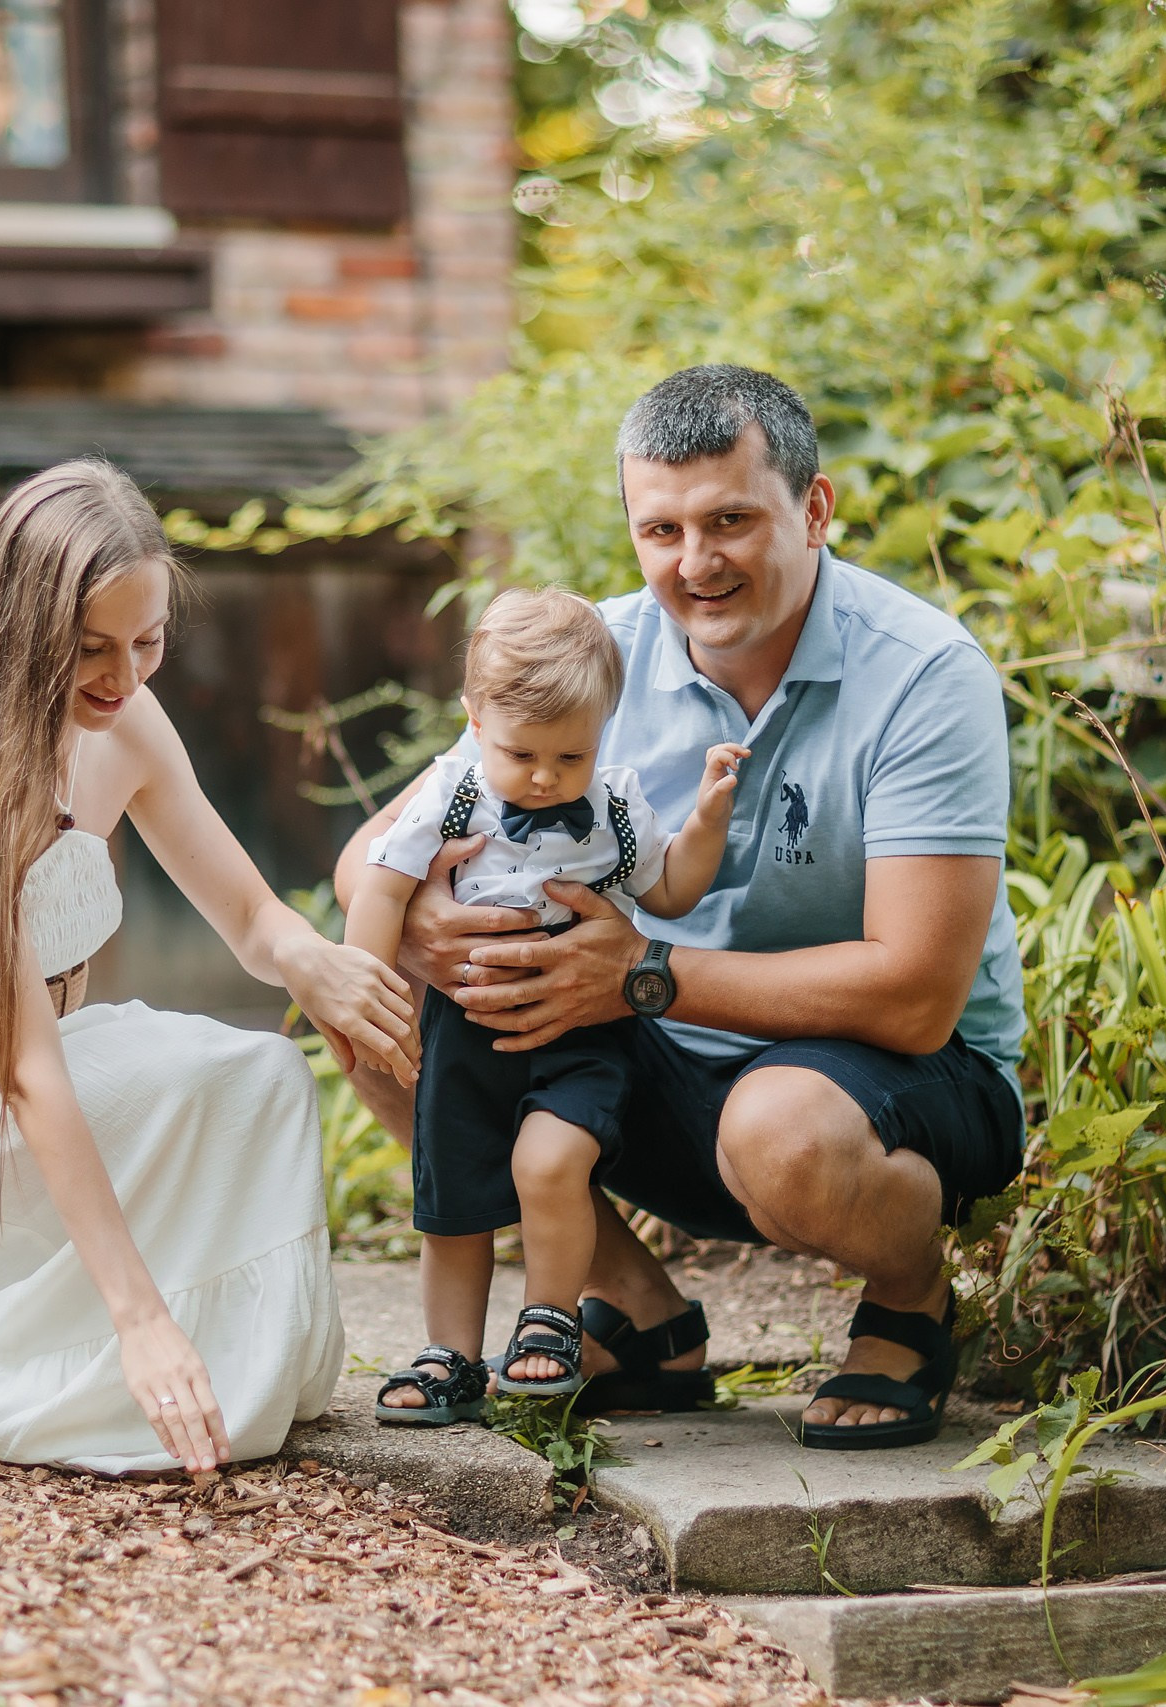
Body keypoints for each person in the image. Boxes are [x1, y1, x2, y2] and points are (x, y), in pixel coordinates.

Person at [333, 366, 1025, 1450]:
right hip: (645, 1055)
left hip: (881, 1083)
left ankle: (908, 1299)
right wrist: (424, 927)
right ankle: (641, 1321)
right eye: (661, 530)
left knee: (781, 1130)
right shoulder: (584, 663)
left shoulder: (925, 674)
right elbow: (370, 854)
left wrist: (643, 972)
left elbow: (917, 996)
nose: (694, 565)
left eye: (730, 521)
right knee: (377, 1015)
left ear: (813, 507)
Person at [0, 459, 419, 1477]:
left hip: (34, 1059)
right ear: (22, 631)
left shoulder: (128, 720)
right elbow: (27, 1077)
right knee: (239, 1091)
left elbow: (244, 912)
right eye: (91, 648)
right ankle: (147, 1354)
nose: (124, 675)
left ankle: (232, 1364)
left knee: (260, 1083)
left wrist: (312, 963)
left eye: (146, 642)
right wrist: (139, 1318)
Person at [343, 587, 746, 1422]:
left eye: (571, 757)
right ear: (476, 719)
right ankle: (449, 1353)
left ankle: (552, 1321)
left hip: (577, 1030)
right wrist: (367, 998)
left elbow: (668, 890)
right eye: (523, 754)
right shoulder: (454, 793)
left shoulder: (615, 807)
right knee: (453, 1202)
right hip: (468, 1031)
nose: (544, 778)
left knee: (550, 1161)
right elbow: (380, 882)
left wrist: (706, 819)